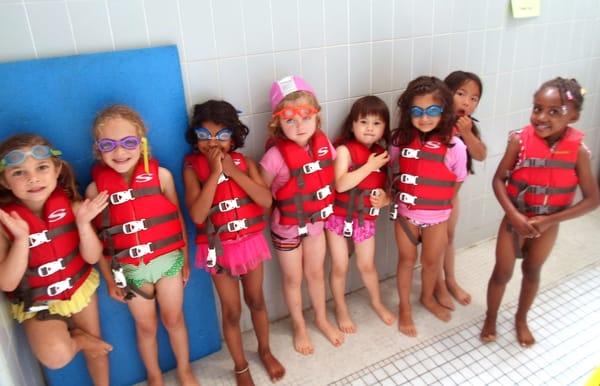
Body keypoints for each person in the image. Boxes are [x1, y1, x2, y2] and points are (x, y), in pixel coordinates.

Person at [480, 78, 599, 347]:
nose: (541, 117)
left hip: (548, 224)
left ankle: (521, 319)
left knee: (532, 271)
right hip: (515, 219)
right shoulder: (519, 141)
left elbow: (593, 200)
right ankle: (491, 317)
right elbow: (499, 180)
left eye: (554, 111)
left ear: (575, 116)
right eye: (537, 108)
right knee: (502, 272)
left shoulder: (578, 152)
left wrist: (550, 220)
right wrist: (513, 215)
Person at [86, 105, 199, 385]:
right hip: (130, 272)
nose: (120, 152)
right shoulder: (93, 191)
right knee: (146, 327)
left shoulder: (162, 176)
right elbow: (99, 240)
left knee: (174, 319)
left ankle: (184, 370)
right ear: (98, 149)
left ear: (142, 143)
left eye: (129, 143)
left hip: (168, 263)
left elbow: (176, 218)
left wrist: (184, 256)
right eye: (109, 145)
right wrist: (110, 276)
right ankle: (154, 375)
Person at [183, 100, 285, 385]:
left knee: (256, 300)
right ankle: (240, 366)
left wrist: (233, 171)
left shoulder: (245, 163)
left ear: (234, 137)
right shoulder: (191, 167)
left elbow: (266, 201)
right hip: (217, 250)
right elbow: (198, 214)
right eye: (204, 136)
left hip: (250, 242)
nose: (212, 143)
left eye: (221, 135)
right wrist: (215, 174)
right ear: (195, 137)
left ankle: (264, 350)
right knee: (232, 311)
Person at [0, 134, 111, 385]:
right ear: (4, 181)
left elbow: (92, 256)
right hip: (36, 301)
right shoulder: (4, 223)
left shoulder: (72, 206)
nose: (33, 178)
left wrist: (83, 223)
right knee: (56, 356)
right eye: (18, 173)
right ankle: (78, 340)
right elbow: (7, 283)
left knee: (98, 349)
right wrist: (20, 240)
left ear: (57, 170)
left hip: (78, 287)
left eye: (41, 167)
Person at [260, 75, 344, 355]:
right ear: (278, 123)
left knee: (316, 273)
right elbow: (263, 194)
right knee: (293, 279)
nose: (299, 125)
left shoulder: (325, 145)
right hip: (286, 229)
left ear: (317, 118)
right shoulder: (274, 157)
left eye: (306, 117)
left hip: (316, 224)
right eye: (290, 119)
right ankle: (299, 325)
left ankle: (320, 317)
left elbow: (329, 175)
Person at [390, 76, 467, 337]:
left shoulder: (455, 146)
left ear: (444, 111)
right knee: (406, 261)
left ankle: (427, 297)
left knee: (433, 262)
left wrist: (440, 204)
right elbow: (391, 169)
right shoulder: (399, 141)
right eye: (417, 112)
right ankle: (405, 309)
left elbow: (457, 180)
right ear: (408, 112)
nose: (425, 118)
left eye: (433, 111)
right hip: (406, 216)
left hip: (438, 217)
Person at [325, 96, 396, 333]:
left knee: (367, 265)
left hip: (365, 219)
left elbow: (388, 192)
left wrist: (383, 200)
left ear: (385, 128)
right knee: (340, 266)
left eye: (377, 123)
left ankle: (376, 301)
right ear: (352, 124)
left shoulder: (383, 155)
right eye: (363, 121)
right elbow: (341, 185)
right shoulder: (344, 150)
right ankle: (341, 308)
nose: (369, 128)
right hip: (337, 218)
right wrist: (368, 166)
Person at [434, 71, 487, 309]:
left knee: (449, 238)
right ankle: (438, 285)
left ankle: (451, 280)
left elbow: (481, 154)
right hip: (432, 199)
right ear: (446, 95)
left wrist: (466, 133)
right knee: (435, 243)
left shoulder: (468, 128)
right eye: (461, 94)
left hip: (452, 197)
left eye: (474, 98)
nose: (467, 102)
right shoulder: (433, 123)